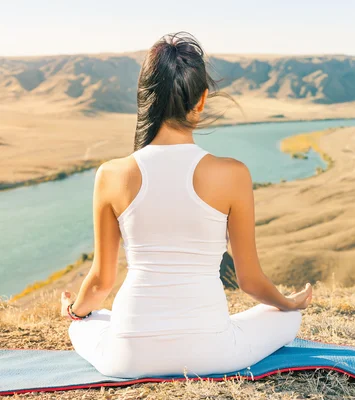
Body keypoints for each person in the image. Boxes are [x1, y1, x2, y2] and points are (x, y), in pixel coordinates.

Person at [60, 32, 313, 378]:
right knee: (287, 318)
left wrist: (73, 312)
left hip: (128, 356)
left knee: (86, 323)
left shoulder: (111, 174)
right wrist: (288, 303)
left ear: (146, 98)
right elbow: (250, 281)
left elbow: (102, 283)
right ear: (202, 100)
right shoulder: (233, 174)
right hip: (212, 352)